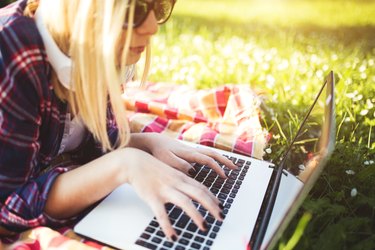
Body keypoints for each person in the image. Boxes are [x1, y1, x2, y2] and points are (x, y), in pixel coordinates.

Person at [0, 0, 237, 242]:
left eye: (160, 7)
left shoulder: (93, 50)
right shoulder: (12, 48)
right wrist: (123, 165)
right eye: (134, 10)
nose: (153, 26)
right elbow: (8, 206)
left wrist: (147, 143)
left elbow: (97, 148)